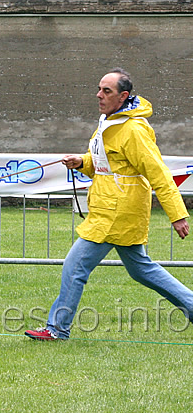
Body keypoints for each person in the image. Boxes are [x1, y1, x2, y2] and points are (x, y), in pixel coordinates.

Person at [25, 67, 193, 340]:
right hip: (109, 207)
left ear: (123, 96)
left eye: (107, 91)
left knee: (74, 266)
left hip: (118, 211)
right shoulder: (109, 120)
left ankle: (57, 329)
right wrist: (82, 162)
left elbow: (158, 173)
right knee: (142, 270)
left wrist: (177, 215)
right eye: (99, 89)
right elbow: (106, 162)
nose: (99, 95)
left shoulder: (134, 129)